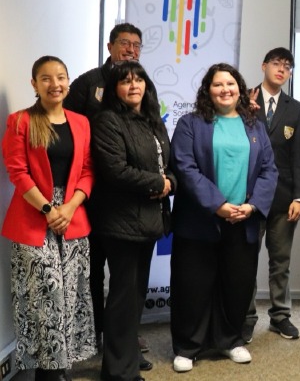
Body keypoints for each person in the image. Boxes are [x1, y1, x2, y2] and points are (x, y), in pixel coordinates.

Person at [169, 63, 278, 372]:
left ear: (240, 89)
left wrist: (252, 206)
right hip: (200, 220)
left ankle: (230, 340)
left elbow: (269, 169)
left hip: (243, 219)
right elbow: (185, 167)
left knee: (237, 284)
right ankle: (188, 347)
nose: (225, 89)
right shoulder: (190, 124)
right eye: (218, 84)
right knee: (192, 285)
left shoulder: (254, 125)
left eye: (230, 84)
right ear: (208, 90)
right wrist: (217, 204)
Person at [2, 56, 96, 381]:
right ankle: (47, 371)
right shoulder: (20, 121)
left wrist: (69, 207)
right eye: (46, 78)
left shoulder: (81, 122)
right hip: (34, 218)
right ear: (34, 84)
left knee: (69, 296)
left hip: (72, 217)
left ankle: (60, 367)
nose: (54, 84)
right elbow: (17, 172)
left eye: (60, 77)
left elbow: (87, 170)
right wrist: (48, 209)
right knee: (45, 295)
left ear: (68, 81)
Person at [63, 23, 153, 364]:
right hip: (90, 195)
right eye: (124, 43)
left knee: (128, 279)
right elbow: (65, 131)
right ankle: (95, 336)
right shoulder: (88, 84)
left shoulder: (140, 86)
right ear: (110, 46)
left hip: (129, 198)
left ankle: (124, 341)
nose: (130, 49)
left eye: (136, 45)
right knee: (92, 272)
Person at [89, 61, 174, 381]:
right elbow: (116, 170)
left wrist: (170, 183)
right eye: (125, 81)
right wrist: (158, 183)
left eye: (138, 79)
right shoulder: (107, 121)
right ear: (115, 89)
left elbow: (168, 166)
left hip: (150, 221)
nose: (133, 85)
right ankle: (117, 372)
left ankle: (125, 360)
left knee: (135, 295)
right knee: (123, 297)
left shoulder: (152, 120)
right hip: (120, 222)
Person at [242, 47, 300, 341]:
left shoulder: (296, 108)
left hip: (283, 198)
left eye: (287, 66)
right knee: (246, 260)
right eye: (277, 64)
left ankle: (280, 316)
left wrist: (299, 197)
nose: (282, 69)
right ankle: (245, 317)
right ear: (264, 66)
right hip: (248, 198)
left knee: (280, 262)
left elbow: (298, 156)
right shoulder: (243, 99)